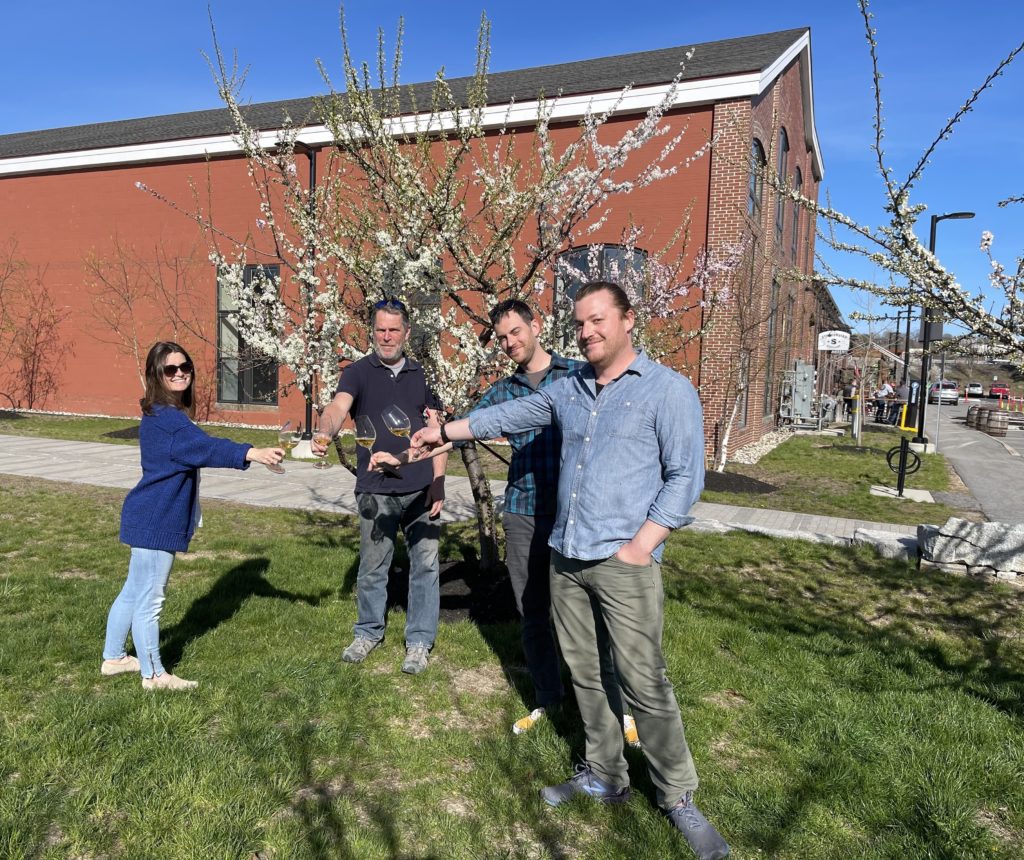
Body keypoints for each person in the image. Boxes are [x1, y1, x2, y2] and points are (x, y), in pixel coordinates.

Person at [410, 282, 729, 859]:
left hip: (623, 561)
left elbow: (686, 477)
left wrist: (642, 547)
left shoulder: (667, 390)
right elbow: (509, 413)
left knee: (644, 681)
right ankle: (605, 774)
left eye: (597, 320)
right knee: (584, 673)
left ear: (628, 320)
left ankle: (678, 796)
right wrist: (445, 430)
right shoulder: (570, 388)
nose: (587, 333)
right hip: (567, 556)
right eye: (580, 324)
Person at [372, 299, 639, 744]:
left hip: (578, 513)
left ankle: (619, 707)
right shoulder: (503, 391)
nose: (510, 342)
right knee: (532, 611)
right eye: (501, 338)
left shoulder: (578, 376)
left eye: (516, 331)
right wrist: (402, 457)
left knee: (594, 613)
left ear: (536, 326)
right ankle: (549, 698)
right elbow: (459, 432)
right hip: (523, 511)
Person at [101, 341, 284, 691]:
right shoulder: (169, 421)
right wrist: (253, 452)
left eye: (185, 367)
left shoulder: (159, 413)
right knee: (149, 601)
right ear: (156, 374)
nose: (180, 373)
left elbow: (199, 448)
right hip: (156, 520)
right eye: (170, 369)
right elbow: (207, 447)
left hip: (146, 514)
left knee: (134, 590)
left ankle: (114, 658)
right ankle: (154, 676)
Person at [313, 298, 448, 676]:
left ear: (407, 332)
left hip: (420, 488)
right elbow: (338, 407)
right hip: (375, 489)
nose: (386, 337)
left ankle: (419, 641)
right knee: (373, 567)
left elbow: (438, 431)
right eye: (380, 330)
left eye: (394, 330)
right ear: (372, 332)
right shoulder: (357, 372)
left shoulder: (424, 374)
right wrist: (325, 431)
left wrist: (438, 482)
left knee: (426, 566)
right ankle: (368, 632)